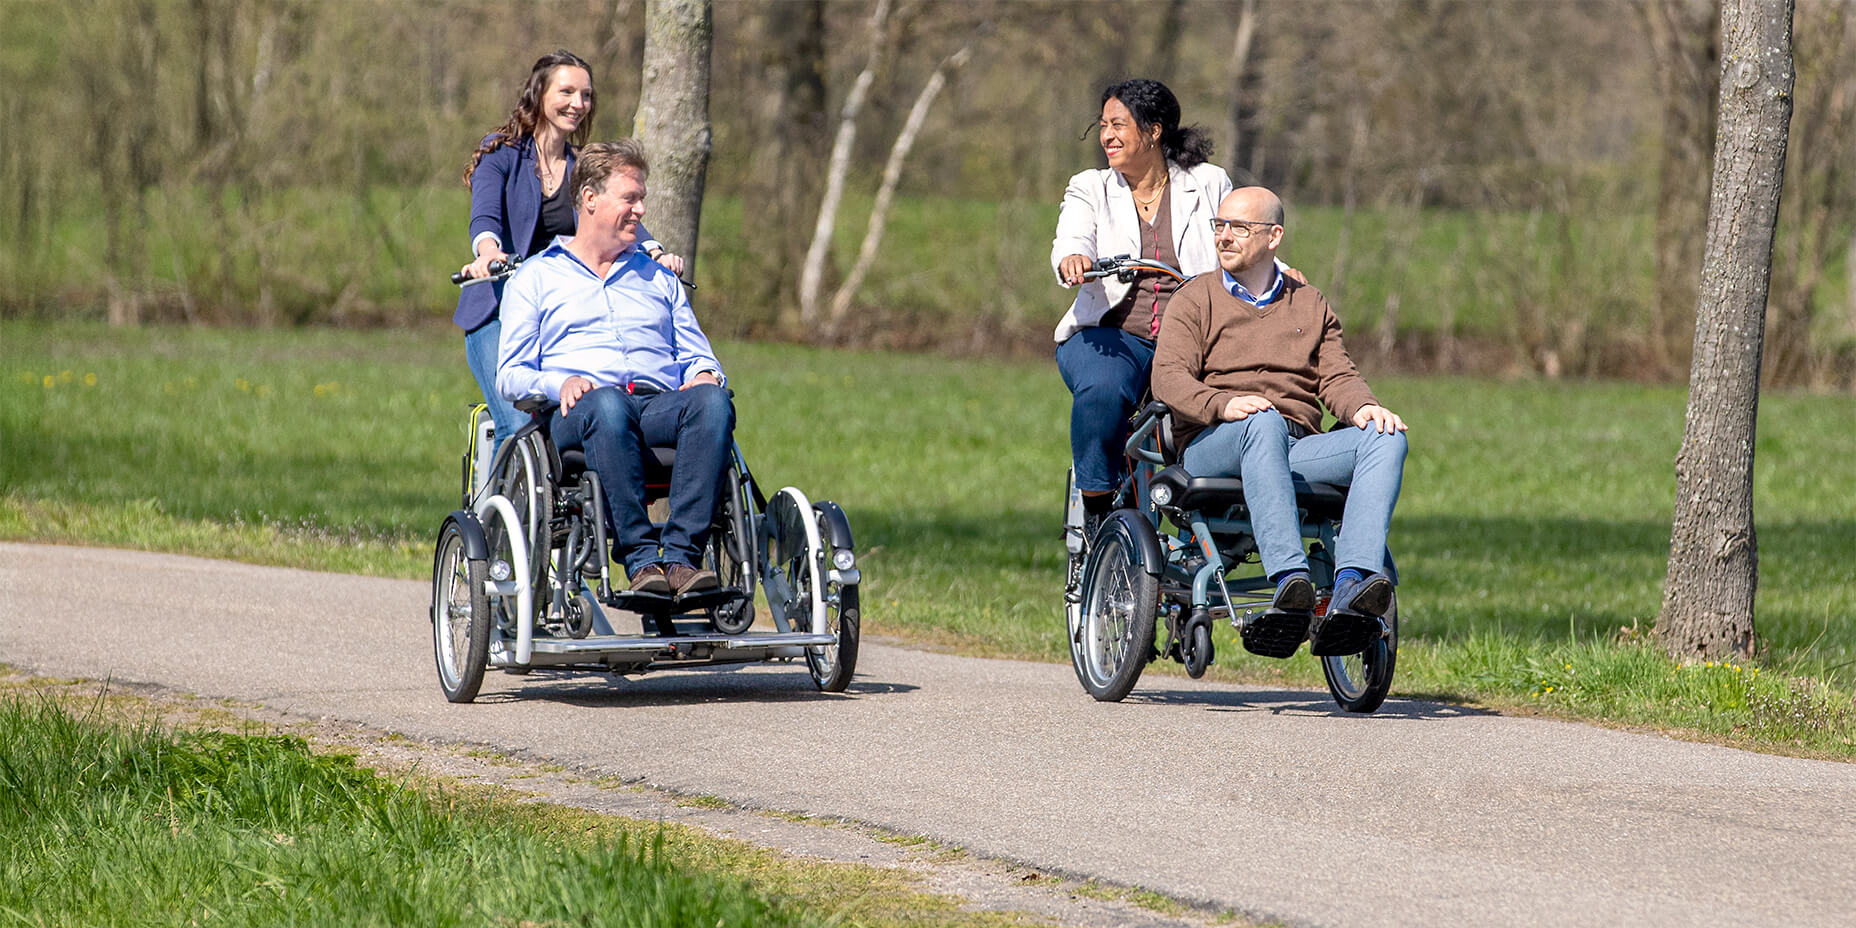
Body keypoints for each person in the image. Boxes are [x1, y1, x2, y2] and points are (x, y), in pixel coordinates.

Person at [1151, 186, 1408, 658]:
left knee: (1386, 437)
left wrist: (1364, 407)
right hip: (1215, 442)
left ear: (1274, 237)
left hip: (1292, 444)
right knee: (1261, 420)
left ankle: (1353, 583)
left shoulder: (1309, 303)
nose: (1224, 237)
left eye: (1239, 228)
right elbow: (1167, 377)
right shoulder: (1195, 299)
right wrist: (1220, 404)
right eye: (1219, 226)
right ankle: (1291, 580)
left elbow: (1337, 376)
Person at [496, 139, 731, 597]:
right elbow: (510, 373)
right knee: (607, 404)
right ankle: (642, 562)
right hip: (580, 412)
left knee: (712, 401)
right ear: (589, 199)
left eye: (642, 198)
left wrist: (704, 373)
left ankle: (682, 561)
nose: (641, 210)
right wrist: (558, 381)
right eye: (630, 198)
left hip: (657, 406)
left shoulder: (659, 277)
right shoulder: (537, 278)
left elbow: (697, 351)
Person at [455, 50, 684, 451]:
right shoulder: (501, 153)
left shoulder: (583, 165)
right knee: (516, 421)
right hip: (499, 307)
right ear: (539, 92)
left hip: (562, 310)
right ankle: (503, 511)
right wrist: (489, 253)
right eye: (567, 92)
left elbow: (620, 214)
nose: (578, 104)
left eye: (587, 95)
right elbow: (485, 216)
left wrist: (655, 252)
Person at [1051, 78, 1233, 538]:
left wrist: (1283, 271)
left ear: (1152, 133)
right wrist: (1074, 258)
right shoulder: (1090, 187)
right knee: (1103, 389)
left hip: (1191, 341)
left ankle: (1212, 519)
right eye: (1103, 125)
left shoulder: (1206, 182)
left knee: (1236, 400)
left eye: (1118, 125)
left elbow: (1239, 242)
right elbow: (1071, 237)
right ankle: (1095, 507)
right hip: (1111, 337)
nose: (1107, 135)